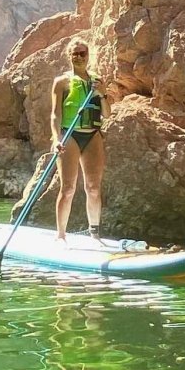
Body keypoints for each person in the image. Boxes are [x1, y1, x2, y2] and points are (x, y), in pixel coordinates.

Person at [51, 39, 110, 243]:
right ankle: (61, 236)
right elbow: (55, 114)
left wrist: (101, 94)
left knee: (93, 187)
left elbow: (107, 114)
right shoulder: (62, 82)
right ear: (69, 56)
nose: (79, 57)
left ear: (88, 55)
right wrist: (56, 138)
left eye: (82, 53)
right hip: (70, 135)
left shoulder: (97, 81)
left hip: (92, 134)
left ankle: (95, 233)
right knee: (67, 188)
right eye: (75, 54)